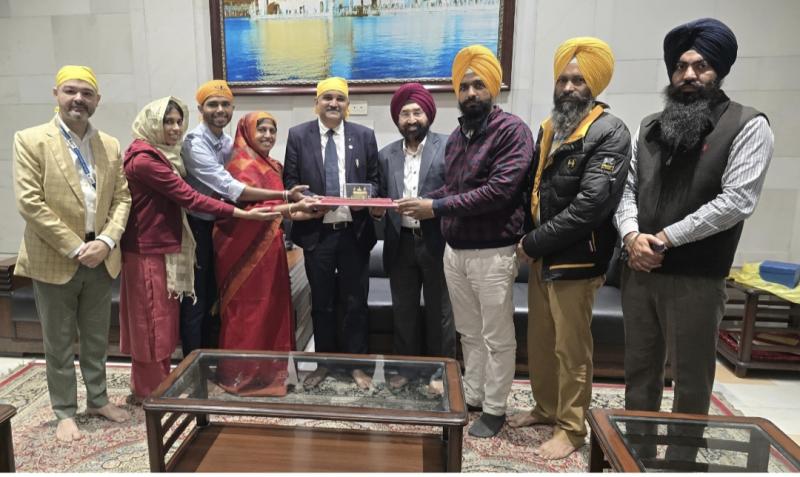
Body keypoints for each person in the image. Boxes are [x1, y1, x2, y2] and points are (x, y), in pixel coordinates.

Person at [613, 17, 773, 433]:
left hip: (697, 279)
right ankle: (635, 452)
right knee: (639, 373)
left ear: (718, 70)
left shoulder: (748, 124)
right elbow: (627, 188)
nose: (688, 75)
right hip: (639, 270)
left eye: (700, 66)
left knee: (690, 382)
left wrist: (664, 239)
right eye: (681, 66)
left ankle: (682, 460)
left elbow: (737, 200)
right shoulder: (649, 126)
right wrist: (632, 236)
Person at [397, 45, 534, 438]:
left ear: (492, 87)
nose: (471, 93)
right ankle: (473, 394)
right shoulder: (458, 136)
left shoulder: (512, 131)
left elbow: (499, 191)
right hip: (454, 251)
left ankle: (495, 407)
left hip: (493, 251)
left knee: (496, 335)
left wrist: (435, 206)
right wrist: (413, 202)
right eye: (464, 86)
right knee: (468, 332)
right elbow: (452, 187)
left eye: (478, 85)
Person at [119, 97, 289, 403]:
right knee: (160, 319)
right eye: (166, 122)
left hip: (178, 239)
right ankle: (160, 388)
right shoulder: (148, 159)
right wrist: (242, 213)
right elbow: (193, 196)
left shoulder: (174, 154)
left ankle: (185, 373)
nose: (173, 128)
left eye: (176, 122)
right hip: (156, 244)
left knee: (186, 310)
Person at [510, 38, 631, 459]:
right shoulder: (550, 127)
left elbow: (592, 205)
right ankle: (546, 408)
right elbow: (535, 189)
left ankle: (572, 428)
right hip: (544, 257)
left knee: (572, 347)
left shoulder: (608, 131)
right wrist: (529, 237)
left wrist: (532, 241)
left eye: (578, 80)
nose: (568, 87)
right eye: (563, 79)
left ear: (594, 84)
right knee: (542, 341)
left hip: (577, 259)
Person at [13, 65, 132, 442]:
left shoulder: (109, 145)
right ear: (56, 94)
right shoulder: (30, 140)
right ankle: (64, 410)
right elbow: (30, 203)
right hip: (56, 256)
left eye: (86, 93)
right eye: (70, 91)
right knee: (59, 340)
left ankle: (97, 399)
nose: (78, 99)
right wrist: (78, 246)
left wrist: (107, 242)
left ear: (97, 100)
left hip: (102, 254)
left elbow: (122, 198)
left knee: (97, 337)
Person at [180, 80, 307, 357]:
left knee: (219, 299)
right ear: (200, 108)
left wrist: (293, 208)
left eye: (225, 104)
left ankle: (216, 357)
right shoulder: (194, 143)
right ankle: (193, 363)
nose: (220, 109)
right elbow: (231, 189)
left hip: (231, 226)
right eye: (213, 104)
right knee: (198, 299)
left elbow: (260, 203)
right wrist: (287, 198)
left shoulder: (231, 145)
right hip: (199, 227)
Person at [214, 112, 324, 396]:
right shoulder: (238, 166)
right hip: (241, 251)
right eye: (260, 130)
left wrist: (310, 213)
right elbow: (251, 212)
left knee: (270, 309)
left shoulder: (273, 165)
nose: (267, 136)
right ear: (247, 132)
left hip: (271, 248)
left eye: (272, 130)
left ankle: (269, 375)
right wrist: (291, 207)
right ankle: (241, 376)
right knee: (247, 312)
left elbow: (278, 213)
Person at [283, 77, 380, 389]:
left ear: (347, 104)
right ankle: (323, 364)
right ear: (317, 102)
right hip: (316, 234)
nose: (334, 104)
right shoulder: (298, 135)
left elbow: (376, 182)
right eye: (328, 98)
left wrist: (363, 196)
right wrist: (306, 202)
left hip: (354, 233)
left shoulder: (364, 136)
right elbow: (290, 182)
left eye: (340, 98)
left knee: (355, 302)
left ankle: (357, 366)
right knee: (321, 303)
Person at [373, 83, 455, 389]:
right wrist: (376, 210)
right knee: (403, 311)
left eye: (416, 112)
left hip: (438, 242)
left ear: (428, 114)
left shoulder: (449, 147)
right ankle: (405, 370)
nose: (411, 119)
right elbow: (379, 196)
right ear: (397, 119)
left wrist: (431, 208)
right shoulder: (385, 156)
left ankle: (441, 372)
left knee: (441, 312)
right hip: (400, 243)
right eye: (404, 113)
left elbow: (457, 192)